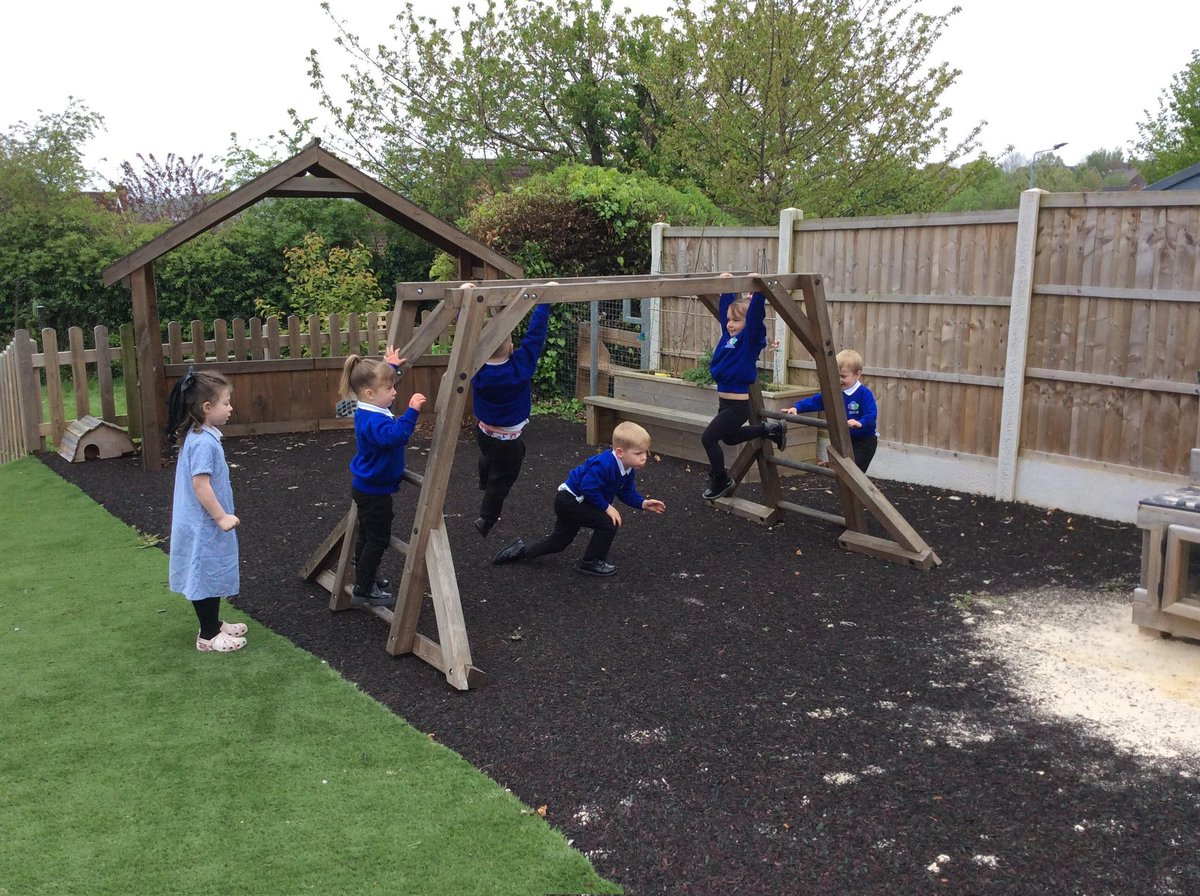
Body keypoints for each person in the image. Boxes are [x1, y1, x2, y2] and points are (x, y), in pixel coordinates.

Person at [492, 421, 666, 577]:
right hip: (570, 501)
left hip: (579, 502)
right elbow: (587, 488)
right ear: (620, 452)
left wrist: (643, 503)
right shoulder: (604, 464)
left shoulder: (628, 468)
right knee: (608, 522)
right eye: (639, 453)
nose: (644, 457)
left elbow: (626, 492)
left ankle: (519, 551)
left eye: (646, 452)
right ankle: (590, 562)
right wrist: (607, 507)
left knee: (559, 542)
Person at [167, 367, 248, 653]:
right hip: (204, 524)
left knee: (211, 572)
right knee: (204, 573)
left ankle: (213, 623)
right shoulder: (202, 442)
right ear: (206, 407)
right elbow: (201, 485)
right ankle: (208, 636)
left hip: (204, 522)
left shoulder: (203, 435)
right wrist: (221, 516)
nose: (230, 408)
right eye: (225, 403)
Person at [339, 347, 427, 608]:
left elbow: (379, 389)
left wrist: (391, 368)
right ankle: (364, 588)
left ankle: (366, 579)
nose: (395, 392)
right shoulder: (373, 421)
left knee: (367, 537)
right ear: (370, 394)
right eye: (390, 389)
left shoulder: (367, 408)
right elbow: (395, 436)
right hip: (375, 492)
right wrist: (412, 412)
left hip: (368, 487)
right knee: (376, 539)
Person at [470, 292, 553, 537]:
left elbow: (467, 340)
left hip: (484, 432)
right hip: (508, 440)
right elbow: (535, 337)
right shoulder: (520, 367)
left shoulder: (476, 369)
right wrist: (544, 301)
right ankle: (486, 518)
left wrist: (467, 302)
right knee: (502, 480)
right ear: (512, 348)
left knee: (487, 455)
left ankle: (483, 478)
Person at [700, 272, 787, 499]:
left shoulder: (748, 341)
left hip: (737, 407)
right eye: (729, 320)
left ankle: (721, 479)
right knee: (729, 438)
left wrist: (758, 291)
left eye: (736, 321)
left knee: (708, 438)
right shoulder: (728, 338)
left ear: (748, 325)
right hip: (725, 403)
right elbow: (724, 314)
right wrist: (729, 287)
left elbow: (756, 316)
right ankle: (770, 430)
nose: (730, 324)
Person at [783, 348, 878, 472]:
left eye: (843, 376)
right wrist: (797, 407)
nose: (839, 380)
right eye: (836, 375)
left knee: (854, 474)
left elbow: (871, 414)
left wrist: (860, 422)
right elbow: (817, 401)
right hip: (843, 440)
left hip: (863, 442)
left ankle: (857, 491)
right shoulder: (835, 392)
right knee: (843, 474)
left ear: (857, 374)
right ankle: (845, 490)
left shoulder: (863, 394)